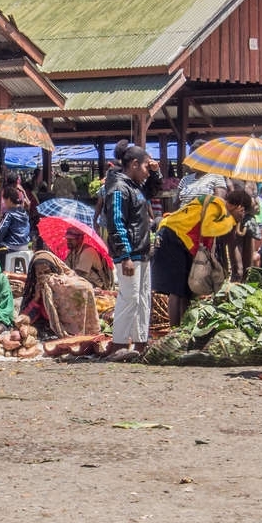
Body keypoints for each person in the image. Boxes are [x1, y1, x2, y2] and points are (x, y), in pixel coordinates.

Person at [151, 194, 240, 327]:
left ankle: (184, 327)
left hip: (181, 238)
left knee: (186, 290)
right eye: (242, 210)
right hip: (173, 236)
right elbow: (207, 239)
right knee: (177, 290)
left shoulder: (218, 208)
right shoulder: (217, 208)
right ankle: (175, 330)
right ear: (236, 206)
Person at [105, 145, 154, 361]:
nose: (147, 171)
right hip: (130, 254)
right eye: (145, 166)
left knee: (143, 299)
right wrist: (124, 255)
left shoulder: (135, 187)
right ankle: (119, 344)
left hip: (141, 252)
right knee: (129, 298)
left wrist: (157, 172)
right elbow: (116, 222)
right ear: (134, 165)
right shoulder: (118, 189)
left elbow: (156, 189)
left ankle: (140, 342)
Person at [0, 185, 31, 254]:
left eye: (5, 200)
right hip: (25, 246)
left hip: (11, 247)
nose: (4, 203)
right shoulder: (25, 213)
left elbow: (1, 232)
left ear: (9, 199)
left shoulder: (9, 214)